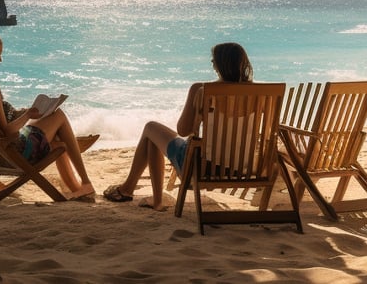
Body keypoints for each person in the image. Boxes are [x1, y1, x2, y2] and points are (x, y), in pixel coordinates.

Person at [103, 42, 254, 210]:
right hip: (240, 168)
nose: (212, 62)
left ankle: (133, 191)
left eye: (213, 60)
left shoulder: (202, 90)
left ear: (219, 64)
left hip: (201, 168)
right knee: (151, 138)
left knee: (150, 128)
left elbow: (183, 130)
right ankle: (137, 192)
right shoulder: (258, 94)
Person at [0, 33, 96, 200]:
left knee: (57, 142)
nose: (0, 60)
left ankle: (76, 188)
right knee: (59, 115)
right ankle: (85, 183)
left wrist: (26, 113)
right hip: (16, 152)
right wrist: (27, 116)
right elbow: (8, 131)